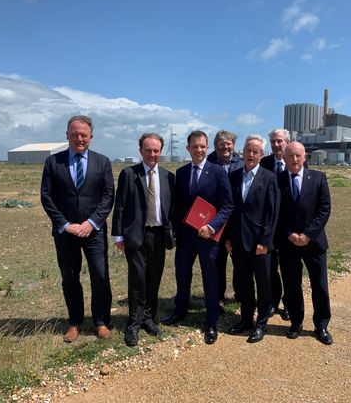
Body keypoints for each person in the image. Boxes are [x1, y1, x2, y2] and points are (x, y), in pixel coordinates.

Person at [40, 115, 115, 343]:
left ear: (91, 137)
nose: (79, 138)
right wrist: (65, 224)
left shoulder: (102, 162)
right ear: (67, 136)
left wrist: (90, 223)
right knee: (70, 277)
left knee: (100, 276)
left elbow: (108, 195)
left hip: (94, 231)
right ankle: (75, 322)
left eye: (83, 135)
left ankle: (101, 322)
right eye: (74, 134)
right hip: (66, 233)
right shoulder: (53, 162)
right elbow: (47, 196)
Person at [161, 130, 233, 345]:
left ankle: (211, 320)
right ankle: (180, 310)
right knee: (182, 274)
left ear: (207, 147)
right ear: (188, 148)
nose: (199, 150)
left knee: (210, 277)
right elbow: (177, 207)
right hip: (185, 236)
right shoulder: (181, 173)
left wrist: (211, 227)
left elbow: (228, 205)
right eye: (195, 146)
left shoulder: (218, 172)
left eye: (202, 146)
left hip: (208, 236)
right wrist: (173, 232)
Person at [112, 133, 175, 347]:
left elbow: (172, 209)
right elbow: (119, 206)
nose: (152, 154)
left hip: (158, 235)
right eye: (148, 150)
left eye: (156, 150)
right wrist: (118, 235)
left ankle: (149, 318)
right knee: (137, 280)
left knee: (154, 278)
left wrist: (172, 234)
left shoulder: (168, 177)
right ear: (141, 151)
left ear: (161, 151)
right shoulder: (129, 174)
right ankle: (133, 324)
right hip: (135, 235)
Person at [276, 141, 333, 345]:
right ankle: (296, 323)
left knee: (319, 285)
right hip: (288, 244)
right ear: (284, 158)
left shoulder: (318, 178)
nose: (294, 160)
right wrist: (291, 235)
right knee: (292, 285)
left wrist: (307, 235)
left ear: (305, 156)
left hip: (314, 243)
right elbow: (276, 214)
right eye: (290, 156)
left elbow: (324, 209)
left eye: (298, 155)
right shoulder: (278, 180)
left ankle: (321, 325)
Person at [225, 135, 279, 343]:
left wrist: (265, 241)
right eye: (248, 150)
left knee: (264, 285)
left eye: (255, 151)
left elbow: (272, 213)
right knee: (244, 283)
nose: (251, 154)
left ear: (261, 155)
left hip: (260, 244)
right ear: (243, 151)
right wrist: (228, 237)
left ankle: (261, 323)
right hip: (238, 242)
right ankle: (246, 319)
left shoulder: (269, 178)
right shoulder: (234, 176)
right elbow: (231, 210)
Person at [206, 130, 243, 309]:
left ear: (233, 145)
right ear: (215, 146)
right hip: (215, 220)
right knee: (217, 260)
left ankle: (240, 293)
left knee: (239, 259)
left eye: (229, 143)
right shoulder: (209, 162)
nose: (225, 146)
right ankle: (218, 295)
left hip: (236, 220)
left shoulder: (241, 163)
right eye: (222, 143)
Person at [260, 128, 291, 321]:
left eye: (279, 141)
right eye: (272, 142)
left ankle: (289, 303)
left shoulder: (294, 160)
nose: (276, 145)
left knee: (288, 267)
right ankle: (273, 300)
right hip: (269, 226)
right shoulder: (264, 163)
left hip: (287, 225)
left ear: (287, 141)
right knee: (270, 267)